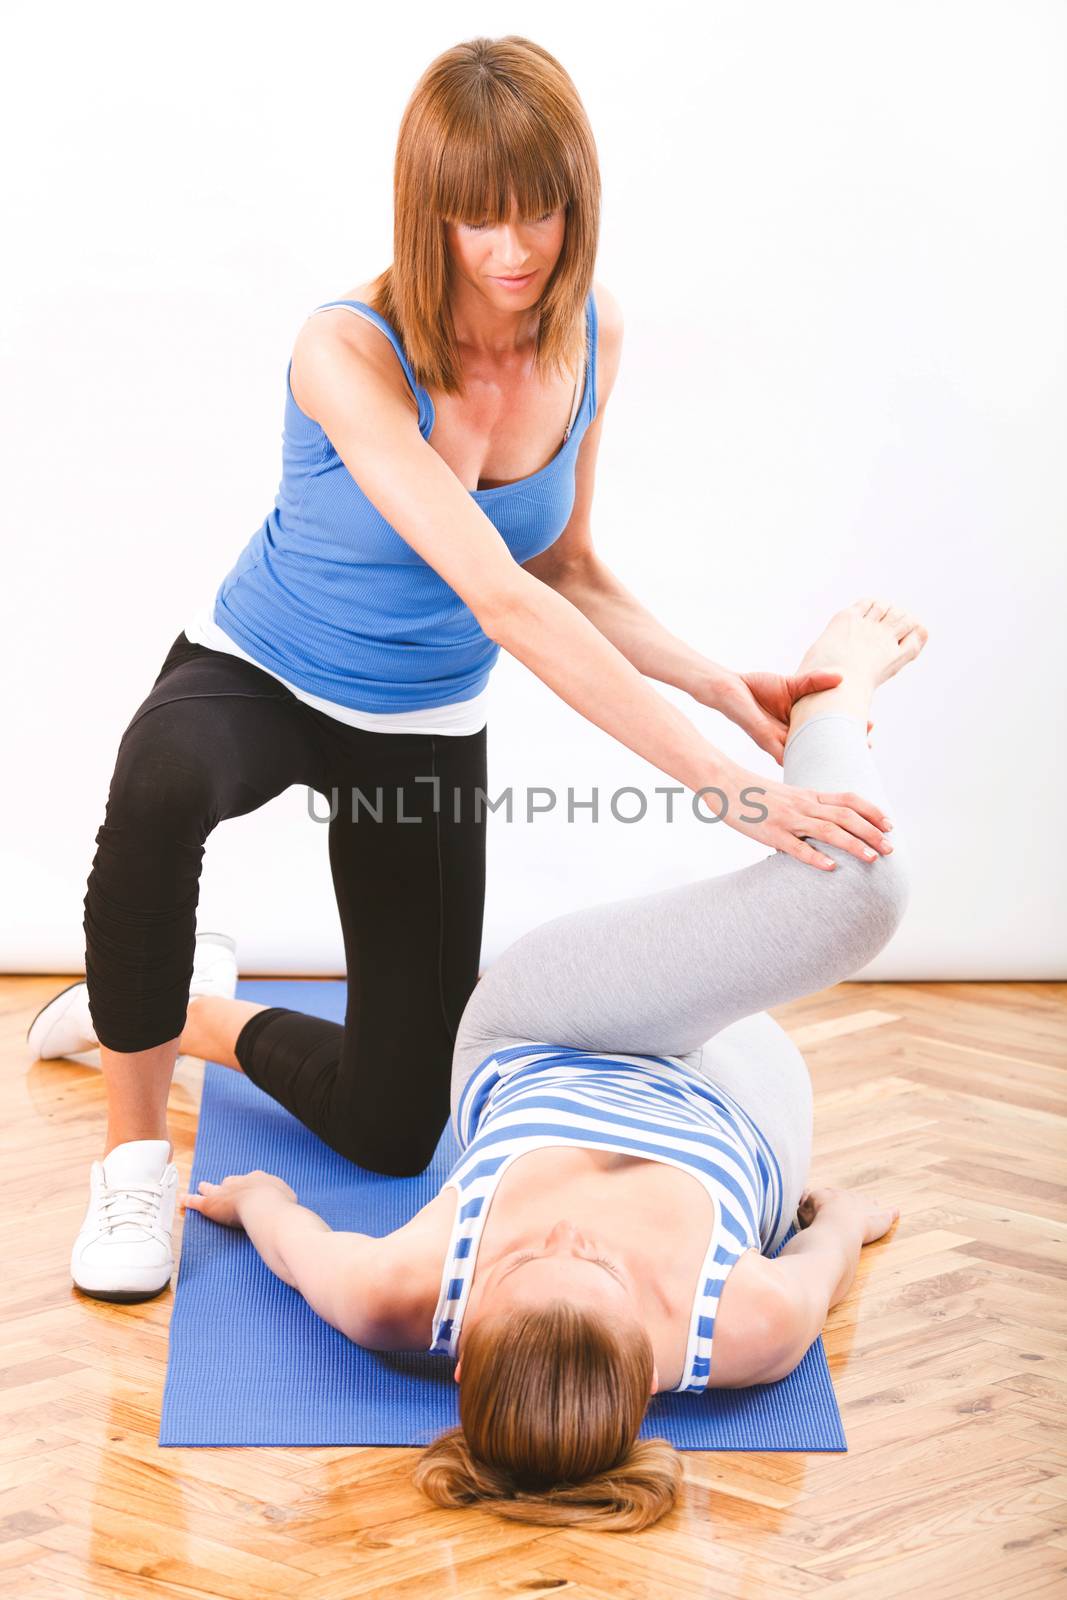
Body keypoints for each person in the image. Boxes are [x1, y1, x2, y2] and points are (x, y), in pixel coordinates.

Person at [29, 34, 887, 1301]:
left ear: (572, 196)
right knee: (159, 779)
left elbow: (563, 571)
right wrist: (724, 788)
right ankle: (133, 1153)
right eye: (473, 217)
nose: (509, 248)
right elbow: (492, 592)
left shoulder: (588, 336)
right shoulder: (347, 349)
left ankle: (169, 1008)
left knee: (393, 1127)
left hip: (418, 720)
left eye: (532, 208)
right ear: (424, 212)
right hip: (262, 669)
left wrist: (722, 685)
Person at [179, 597, 927, 1532]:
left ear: (461, 1349)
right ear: (652, 1371)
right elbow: (825, 1252)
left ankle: (189, 1015)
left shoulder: (392, 1296)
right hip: (734, 1093)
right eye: (603, 1273)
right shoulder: (751, 1326)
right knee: (856, 892)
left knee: (854, 889)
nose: (570, 1237)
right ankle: (832, 699)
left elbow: (300, 1251)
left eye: (527, 1260)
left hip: (549, 1036)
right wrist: (845, 1216)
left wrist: (254, 1201)